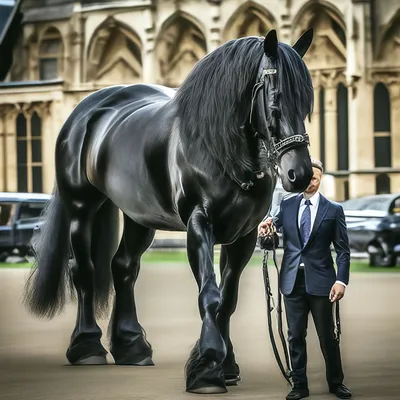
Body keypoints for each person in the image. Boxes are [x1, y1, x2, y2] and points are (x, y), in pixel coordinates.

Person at [259, 158, 352, 400]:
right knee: (295, 336)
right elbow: (271, 234)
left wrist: (341, 281)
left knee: (327, 337)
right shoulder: (287, 206)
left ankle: (336, 382)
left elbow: (343, 251)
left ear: (321, 179)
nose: (310, 182)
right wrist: (265, 228)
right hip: (292, 282)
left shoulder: (333, 210)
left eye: (314, 177)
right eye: (307, 177)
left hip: (322, 283)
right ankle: (299, 385)